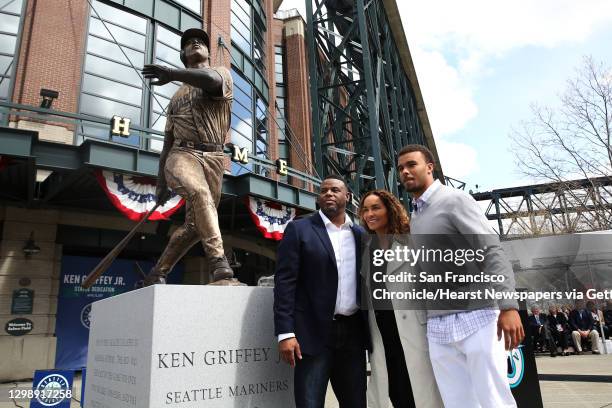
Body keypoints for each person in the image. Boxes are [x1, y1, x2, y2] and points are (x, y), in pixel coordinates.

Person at [397, 144, 524, 408]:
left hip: (477, 316)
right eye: (400, 168)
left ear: (429, 167)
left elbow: (491, 250)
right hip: (438, 324)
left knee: (493, 400)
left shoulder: (455, 199)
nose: (405, 172)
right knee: (458, 403)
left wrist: (508, 306)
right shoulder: (417, 215)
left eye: (412, 165)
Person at [139, 28, 237, 286]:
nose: (195, 43)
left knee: (195, 226)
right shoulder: (176, 97)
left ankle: (158, 271)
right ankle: (219, 261)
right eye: (189, 43)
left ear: (206, 51)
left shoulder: (221, 74)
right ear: (183, 54)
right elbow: (166, 144)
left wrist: (171, 74)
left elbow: (209, 81)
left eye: (200, 42)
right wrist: (161, 182)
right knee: (200, 194)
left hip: (214, 157)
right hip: (182, 154)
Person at [273, 175, 369, 408]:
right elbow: (285, 282)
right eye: (324, 190)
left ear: (347, 196)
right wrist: (285, 333)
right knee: (309, 403)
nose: (328, 193)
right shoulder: (299, 229)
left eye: (335, 190)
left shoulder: (361, 235)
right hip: (313, 333)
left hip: (353, 333)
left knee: (356, 402)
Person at [359, 190, 443, 408]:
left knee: (423, 395)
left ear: (390, 209)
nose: (369, 214)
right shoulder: (367, 249)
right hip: (384, 336)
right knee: (397, 395)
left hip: (413, 332)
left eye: (376, 207)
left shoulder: (411, 241)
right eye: (365, 209)